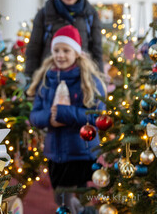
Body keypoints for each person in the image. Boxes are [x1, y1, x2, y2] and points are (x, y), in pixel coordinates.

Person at [27, 25, 106, 214]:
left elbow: (97, 116)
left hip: (81, 151)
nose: (60, 55)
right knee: (60, 198)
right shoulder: (47, 80)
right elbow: (35, 115)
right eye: (56, 50)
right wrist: (50, 118)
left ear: (76, 52)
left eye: (66, 50)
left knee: (73, 197)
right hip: (55, 152)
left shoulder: (89, 80)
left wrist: (64, 113)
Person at [25, 0, 103, 78]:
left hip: (81, 78)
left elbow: (97, 52)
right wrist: (29, 80)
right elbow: (33, 50)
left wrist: (99, 80)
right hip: (49, 77)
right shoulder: (45, 14)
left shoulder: (90, 15)